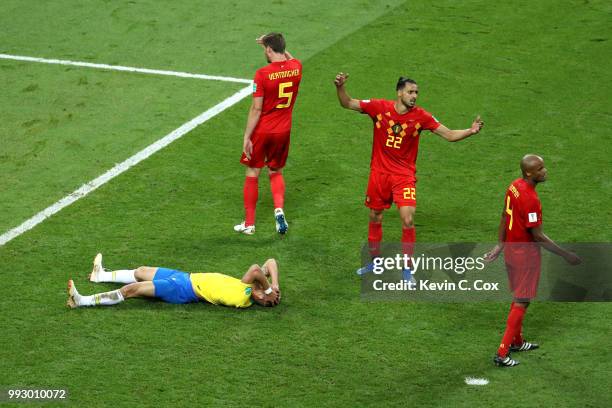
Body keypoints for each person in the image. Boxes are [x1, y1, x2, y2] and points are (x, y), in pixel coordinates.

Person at [334, 73, 484, 276]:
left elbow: (448, 134)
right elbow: (348, 103)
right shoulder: (379, 108)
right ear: (399, 93)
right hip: (379, 174)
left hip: (403, 177)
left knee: (407, 219)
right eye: (410, 92)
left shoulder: (421, 116)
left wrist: (470, 130)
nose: (414, 96)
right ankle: (374, 263)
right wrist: (340, 87)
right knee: (375, 216)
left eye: (416, 92)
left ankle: (407, 269)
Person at [484, 154, 581, 367]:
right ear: (529, 173)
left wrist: (500, 243)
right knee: (522, 300)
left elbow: (504, 215)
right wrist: (566, 255)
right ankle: (502, 352)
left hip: (511, 250)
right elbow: (538, 236)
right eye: (540, 168)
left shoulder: (514, 186)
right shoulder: (530, 199)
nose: (545, 171)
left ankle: (517, 342)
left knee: (520, 295)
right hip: (525, 256)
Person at [234, 32, 303, 236]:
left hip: (264, 131)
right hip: (284, 130)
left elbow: (256, 109)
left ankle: (249, 224)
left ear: (270, 50)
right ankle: (279, 210)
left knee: (253, 172)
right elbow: (289, 58)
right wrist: (272, 44)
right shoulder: (296, 68)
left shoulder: (262, 74)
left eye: (266, 49)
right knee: (276, 171)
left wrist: (247, 136)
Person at [67, 254, 281, 309]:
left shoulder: (243, 297)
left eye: (264, 301)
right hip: (185, 276)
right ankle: (100, 275)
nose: (262, 297)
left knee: (131, 290)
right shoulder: (244, 284)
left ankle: (82, 301)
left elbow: (256, 268)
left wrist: (270, 288)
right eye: (265, 296)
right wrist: (275, 286)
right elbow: (270, 262)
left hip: (182, 290)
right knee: (141, 271)